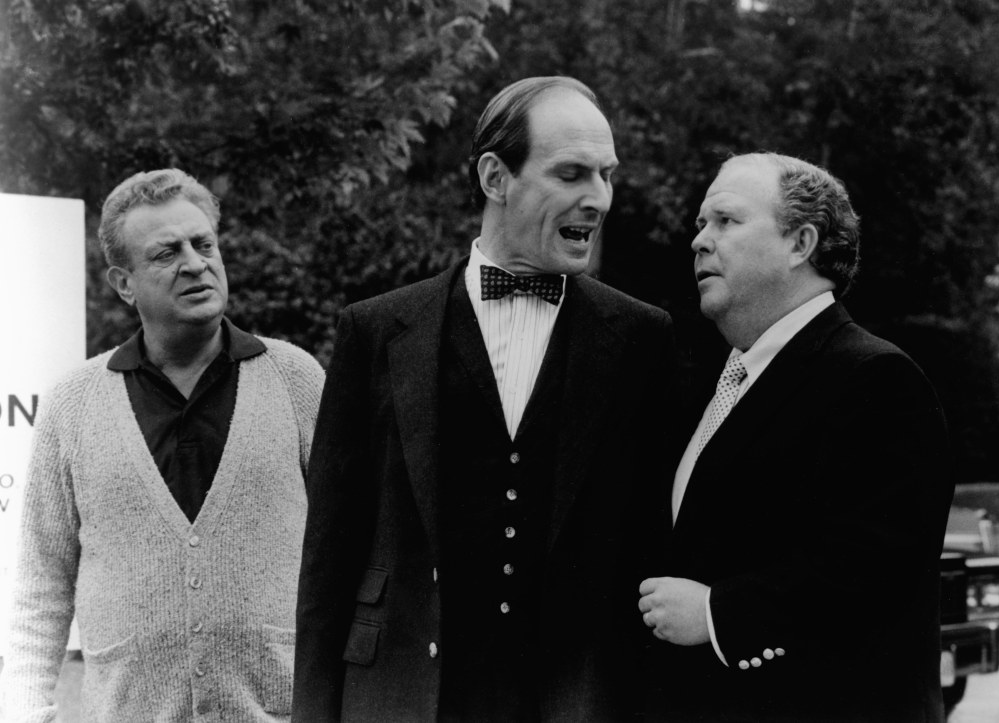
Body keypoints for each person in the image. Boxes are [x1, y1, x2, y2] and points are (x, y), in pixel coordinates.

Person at [294, 76, 681, 721]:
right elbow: (330, 556)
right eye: (571, 174)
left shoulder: (642, 338)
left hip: (573, 698)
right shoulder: (377, 330)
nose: (599, 199)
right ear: (496, 177)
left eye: (607, 176)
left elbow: (655, 546)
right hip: (403, 695)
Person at [638, 153, 953, 722]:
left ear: (800, 243)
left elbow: (875, 571)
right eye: (699, 225)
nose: (700, 241)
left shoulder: (877, 379)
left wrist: (718, 613)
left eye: (725, 221)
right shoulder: (716, 381)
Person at [0, 169, 325, 721]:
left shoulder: (295, 378)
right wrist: (22, 709)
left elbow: (352, 548)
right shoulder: (72, 405)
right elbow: (43, 578)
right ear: (124, 284)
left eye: (204, 244)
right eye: (167, 252)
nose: (196, 263)